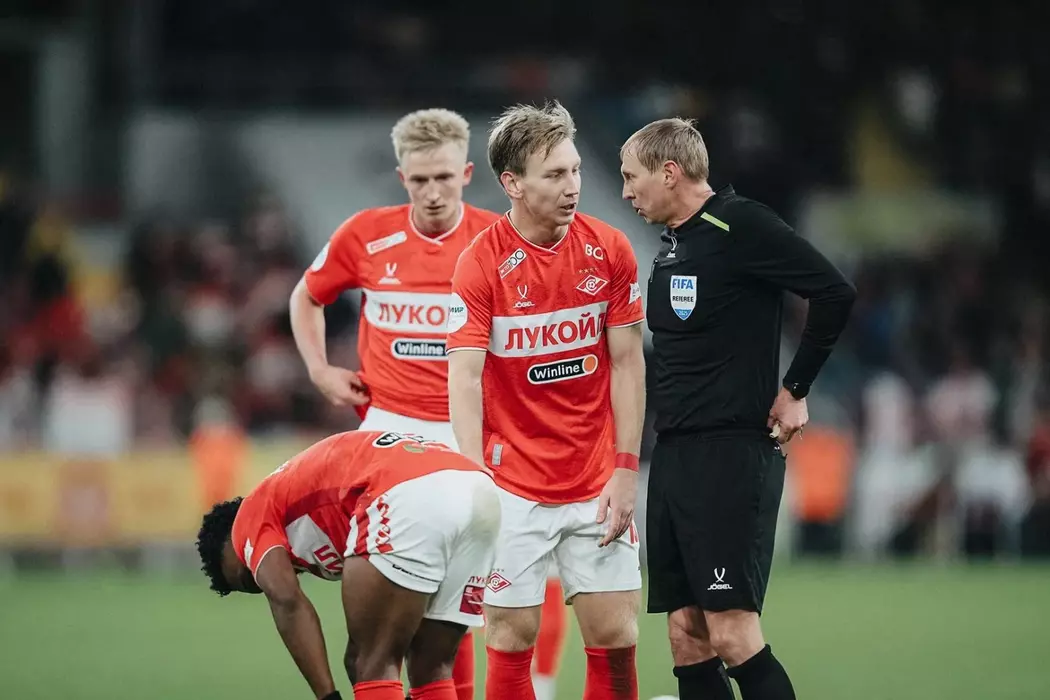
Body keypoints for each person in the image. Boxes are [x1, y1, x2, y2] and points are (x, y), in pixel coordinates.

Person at [289, 107, 570, 700]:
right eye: (420, 180)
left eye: (444, 177)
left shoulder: (501, 240)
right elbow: (306, 296)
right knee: (406, 601)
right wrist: (319, 370)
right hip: (389, 435)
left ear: (467, 173)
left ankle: (539, 685)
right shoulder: (366, 234)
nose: (433, 192)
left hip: (473, 432)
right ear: (402, 179)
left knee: (495, 584)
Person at [620, 118, 856, 700]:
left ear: (668, 173)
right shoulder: (673, 244)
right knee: (686, 634)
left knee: (731, 633)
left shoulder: (742, 223)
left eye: (631, 177)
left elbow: (833, 291)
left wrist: (795, 389)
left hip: (731, 456)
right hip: (674, 456)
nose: (625, 191)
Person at [447, 100, 647, 700]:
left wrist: (625, 469)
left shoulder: (610, 249)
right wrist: (474, 481)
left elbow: (627, 363)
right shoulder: (480, 264)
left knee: (616, 636)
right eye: (555, 174)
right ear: (512, 184)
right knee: (511, 637)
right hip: (512, 487)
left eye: (576, 170)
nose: (573, 186)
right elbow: (464, 379)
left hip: (596, 482)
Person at [195, 430, 500, 700]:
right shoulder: (292, 501)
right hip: (477, 490)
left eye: (248, 578)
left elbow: (286, 599)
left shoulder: (247, 518)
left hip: (406, 491)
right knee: (431, 667)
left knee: (369, 664)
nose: (260, 579)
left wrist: (327, 696)